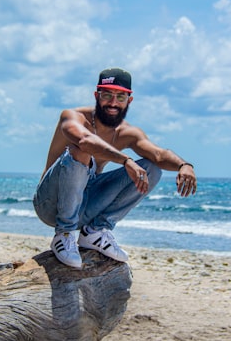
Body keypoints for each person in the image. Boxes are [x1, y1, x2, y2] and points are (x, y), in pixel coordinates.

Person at [33, 67, 197, 268]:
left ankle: (95, 232)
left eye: (120, 97)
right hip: (50, 204)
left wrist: (184, 165)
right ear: (96, 95)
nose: (113, 102)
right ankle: (64, 234)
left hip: (84, 207)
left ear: (129, 100)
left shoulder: (127, 133)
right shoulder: (73, 116)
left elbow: (158, 154)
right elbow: (84, 140)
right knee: (81, 151)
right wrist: (126, 160)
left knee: (152, 168)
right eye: (107, 95)